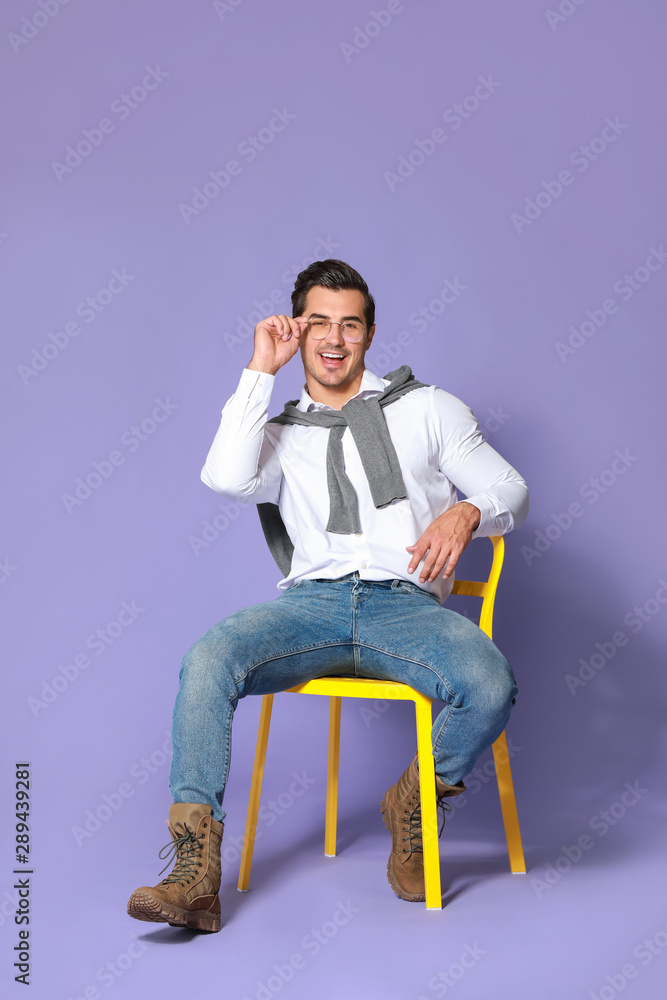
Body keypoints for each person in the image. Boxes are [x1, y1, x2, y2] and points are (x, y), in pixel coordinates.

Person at [127, 259, 528, 932]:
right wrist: (260, 368)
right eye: (318, 323)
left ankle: (413, 800)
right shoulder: (278, 430)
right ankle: (193, 876)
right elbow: (225, 479)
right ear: (297, 330)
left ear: (369, 334)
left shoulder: (427, 407)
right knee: (206, 661)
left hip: (404, 607)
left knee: (489, 681)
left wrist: (467, 512)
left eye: (349, 324)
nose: (334, 339)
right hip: (306, 609)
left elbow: (508, 489)